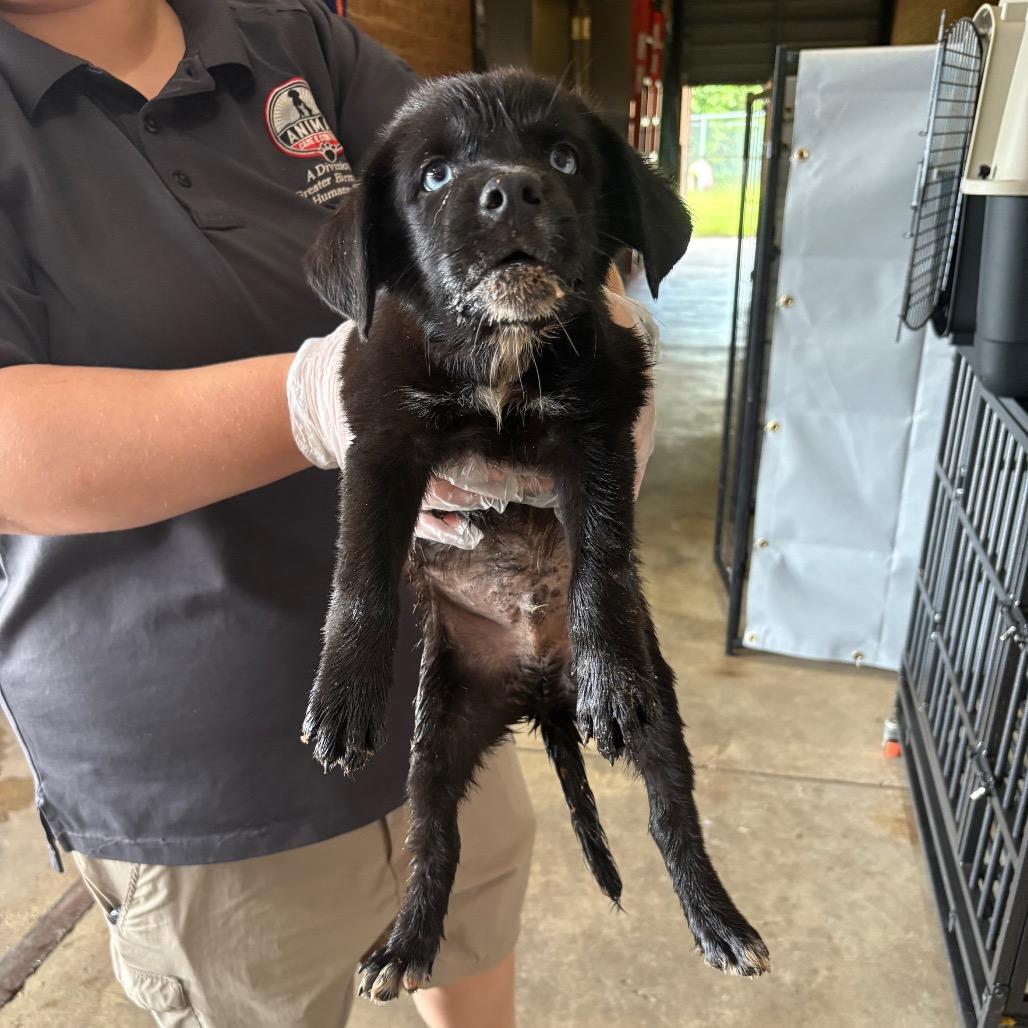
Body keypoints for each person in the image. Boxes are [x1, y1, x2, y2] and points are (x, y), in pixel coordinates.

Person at [0, 2, 657, 1026]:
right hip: (211, 763)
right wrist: (313, 401)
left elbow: (504, 179)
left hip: (436, 684)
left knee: (471, 938)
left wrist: (595, 345)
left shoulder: (292, 40)